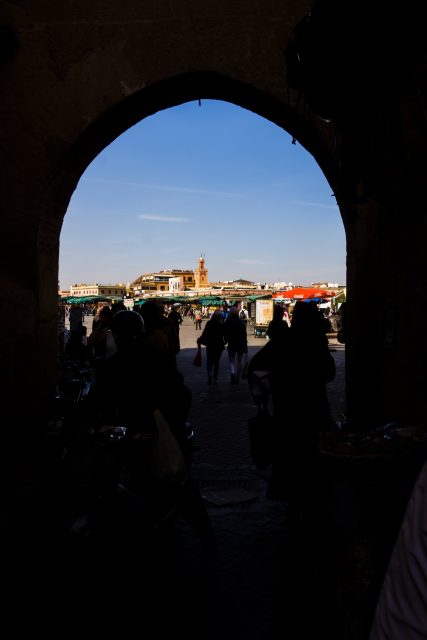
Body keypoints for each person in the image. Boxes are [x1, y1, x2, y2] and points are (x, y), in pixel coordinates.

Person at [93, 310, 216, 553]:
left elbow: (101, 403)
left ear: (117, 335)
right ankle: (207, 538)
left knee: (113, 477)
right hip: (159, 429)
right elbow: (180, 393)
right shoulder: (159, 358)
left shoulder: (111, 366)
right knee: (181, 485)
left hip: (142, 433)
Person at [197, 309, 226, 386]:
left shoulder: (209, 323)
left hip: (210, 345)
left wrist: (200, 340)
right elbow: (225, 335)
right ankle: (215, 379)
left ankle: (210, 374)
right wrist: (225, 342)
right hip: (219, 346)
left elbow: (204, 333)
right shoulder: (222, 324)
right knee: (217, 362)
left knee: (209, 361)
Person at [223, 306, 248, 384]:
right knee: (239, 361)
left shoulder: (227, 321)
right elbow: (244, 335)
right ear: (237, 313)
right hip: (240, 343)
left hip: (232, 343)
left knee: (231, 361)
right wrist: (245, 345)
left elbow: (225, 332)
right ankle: (237, 377)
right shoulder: (241, 322)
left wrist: (225, 340)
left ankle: (232, 373)